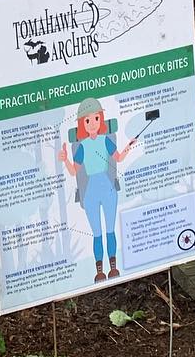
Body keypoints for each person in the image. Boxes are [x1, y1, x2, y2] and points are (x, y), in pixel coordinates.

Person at [60, 99, 141, 284]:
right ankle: (99, 271)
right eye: (87, 121)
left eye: (96, 118)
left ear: (101, 118)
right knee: (97, 232)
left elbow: (118, 158)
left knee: (110, 230)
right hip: (90, 192)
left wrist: (130, 145)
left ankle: (113, 268)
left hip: (107, 188)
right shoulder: (81, 146)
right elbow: (74, 171)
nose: (93, 123)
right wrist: (65, 159)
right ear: (82, 124)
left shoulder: (106, 140)